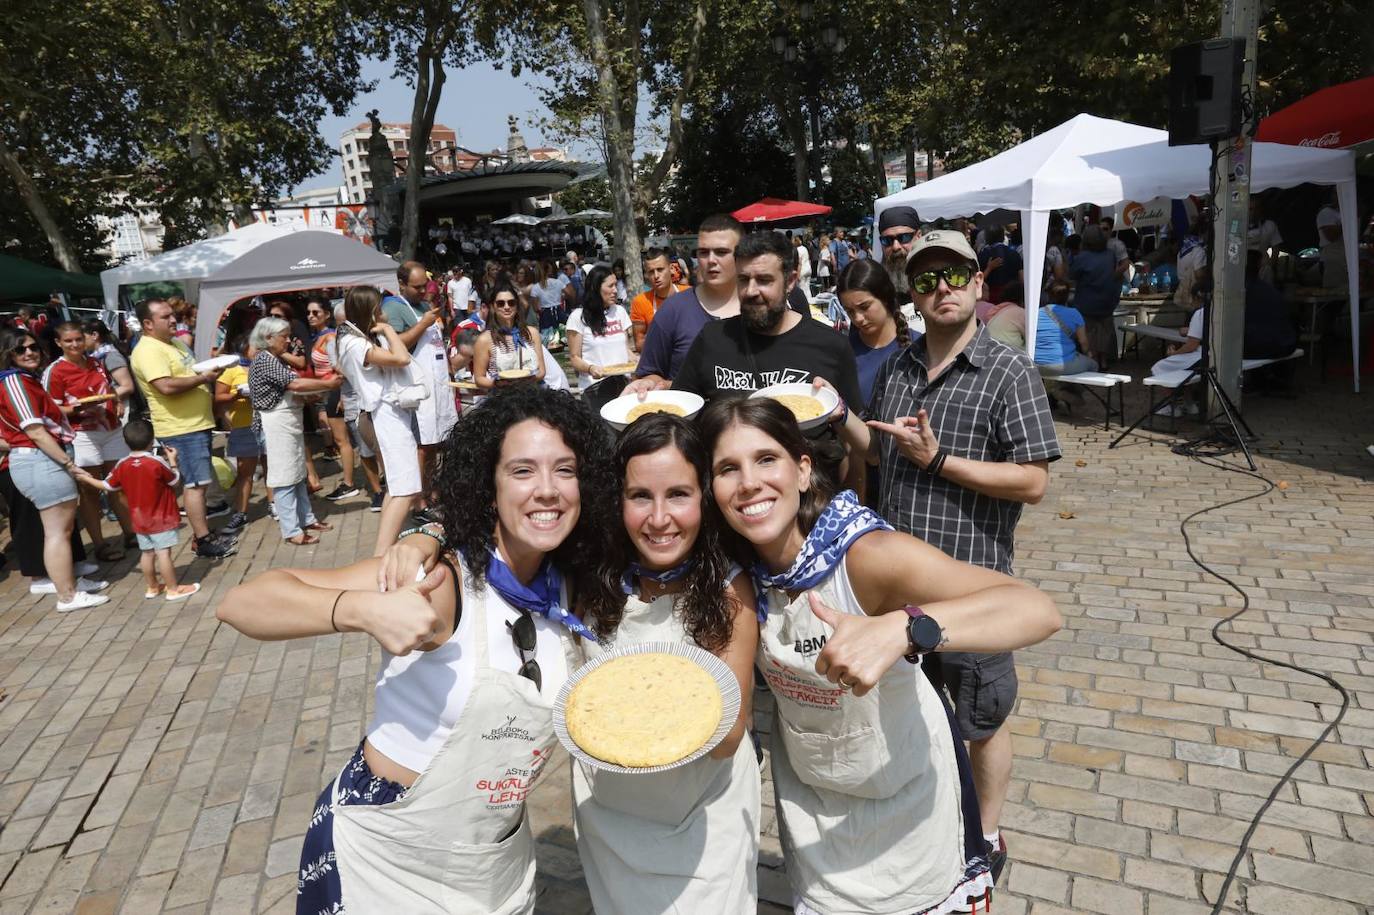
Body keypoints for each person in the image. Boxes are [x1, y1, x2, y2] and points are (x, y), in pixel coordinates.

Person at [215, 384, 619, 915]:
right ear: (488, 485)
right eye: (522, 471)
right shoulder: (441, 582)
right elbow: (242, 603)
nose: (547, 489)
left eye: (564, 470)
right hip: (390, 853)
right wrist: (361, 610)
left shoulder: (569, 582)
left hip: (492, 861)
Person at [699, 396, 1062, 915]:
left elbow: (1036, 609)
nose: (749, 483)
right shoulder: (741, 576)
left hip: (908, 820)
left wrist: (906, 629)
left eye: (766, 459)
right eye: (726, 469)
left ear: (803, 470)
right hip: (814, 820)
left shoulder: (866, 560)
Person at [862, 229, 1061, 897]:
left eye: (953, 274)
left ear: (979, 283)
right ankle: (925, 816)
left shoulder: (1009, 371)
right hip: (896, 588)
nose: (939, 287)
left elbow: (1033, 480)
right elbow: (877, 452)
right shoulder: (897, 368)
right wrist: (838, 419)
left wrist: (941, 460)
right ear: (912, 295)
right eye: (925, 279)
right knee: (908, 712)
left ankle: (990, 831)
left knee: (983, 717)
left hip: (972, 585)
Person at [571, 413, 759, 912]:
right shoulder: (591, 576)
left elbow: (730, 735)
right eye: (640, 497)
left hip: (704, 827)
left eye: (678, 494)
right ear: (618, 499)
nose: (658, 519)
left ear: (705, 497)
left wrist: (642, 704)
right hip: (609, 818)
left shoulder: (728, 591)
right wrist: (428, 535)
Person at [0, 327, 110, 611]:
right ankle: (67, 595)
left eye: (33, 347)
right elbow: (34, 430)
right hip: (39, 458)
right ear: (7, 354)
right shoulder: (14, 380)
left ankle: (68, 582)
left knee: (62, 529)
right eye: (20, 349)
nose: (29, 352)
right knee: (57, 532)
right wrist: (69, 464)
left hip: (42, 457)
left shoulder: (26, 378)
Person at [129, 298, 236, 558]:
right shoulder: (148, 350)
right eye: (165, 317)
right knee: (195, 485)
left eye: (172, 315)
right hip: (181, 427)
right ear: (148, 323)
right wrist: (202, 378)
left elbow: (187, 371)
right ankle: (202, 539)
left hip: (196, 423)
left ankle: (205, 533)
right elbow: (164, 386)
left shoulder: (172, 343)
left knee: (199, 482)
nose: (173, 319)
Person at [334, 287, 419, 552]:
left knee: (396, 487)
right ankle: (381, 554)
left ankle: (384, 550)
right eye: (379, 309)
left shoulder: (350, 337)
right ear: (369, 311)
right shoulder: (355, 343)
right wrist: (389, 330)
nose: (383, 314)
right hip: (384, 416)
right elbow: (401, 358)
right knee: (406, 488)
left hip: (382, 415)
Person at [43, 321, 136, 561]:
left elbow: (110, 390)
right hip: (81, 433)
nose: (75, 344)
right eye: (68, 341)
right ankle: (100, 544)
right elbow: (50, 409)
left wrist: (114, 401)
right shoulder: (55, 370)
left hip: (111, 427)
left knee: (118, 483)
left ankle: (131, 533)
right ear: (58, 343)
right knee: (90, 490)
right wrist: (74, 408)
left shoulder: (96, 362)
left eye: (78, 339)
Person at [249, 317, 342, 545]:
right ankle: (291, 530)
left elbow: (292, 388)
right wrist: (328, 384)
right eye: (284, 336)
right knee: (284, 478)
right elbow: (295, 385)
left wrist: (312, 395)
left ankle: (307, 518)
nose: (288, 341)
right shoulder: (265, 360)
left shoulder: (275, 358)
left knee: (297, 473)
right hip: (274, 425)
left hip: (286, 423)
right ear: (268, 338)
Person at [626, 214, 744, 393]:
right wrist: (649, 383)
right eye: (703, 252)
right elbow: (649, 372)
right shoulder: (673, 310)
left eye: (721, 252)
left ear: (742, 255)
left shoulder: (761, 308)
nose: (711, 260)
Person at [85, 421, 200, 601]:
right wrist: (173, 462)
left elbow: (107, 485)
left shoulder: (122, 463)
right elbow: (174, 481)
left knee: (147, 554)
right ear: (151, 439)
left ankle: (153, 587)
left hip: (139, 519)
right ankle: (173, 589)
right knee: (164, 554)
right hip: (161, 517)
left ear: (125, 441)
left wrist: (84, 477)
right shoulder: (155, 462)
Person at [384, 260, 460, 495]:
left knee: (438, 443)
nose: (422, 291)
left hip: (439, 384)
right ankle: (419, 498)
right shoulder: (393, 307)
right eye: (416, 287)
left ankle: (433, 490)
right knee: (423, 446)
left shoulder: (422, 305)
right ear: (401, 284)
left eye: (424, 285)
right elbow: (395, 347)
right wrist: (424, 324)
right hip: (418, 388)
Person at [213, 336, 261, 534]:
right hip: (243, 425)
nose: (259, 349)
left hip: (267, 422)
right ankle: (240, 513)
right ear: (244, 347)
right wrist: (236, 395)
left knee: (271, 467)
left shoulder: (264, 366)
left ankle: (275, 505)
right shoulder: (231, 370)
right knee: (245, 472)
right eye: (255, 346)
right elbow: (219, 397)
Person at [566, 264, 633, 395]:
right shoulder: (578, 317)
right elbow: (574, 358)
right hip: (595, 387)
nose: (615, 290)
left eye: (616, 285)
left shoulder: (620, 311)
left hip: (624, 383)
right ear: (596, 288)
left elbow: (626, 350)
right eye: (610, 286)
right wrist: (590, 368)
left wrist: (637, 360)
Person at [1067, 225, 1124, 367]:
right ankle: (1103, 360)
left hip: (1087, 301)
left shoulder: (1082, 257)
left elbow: (1072, 275)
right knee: (1105, 330)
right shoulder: (1110, 255)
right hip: (1107, 300)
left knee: (1090, 331)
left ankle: (1093, 360)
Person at [1034, 280, 1097, 376]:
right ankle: (1077, 390)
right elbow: (1083, 342)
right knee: (1093, 365)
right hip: (1062, 365)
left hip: (1037, 365)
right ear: (1068, 296)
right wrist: (1088, 353)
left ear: (1049, 295)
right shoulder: (1074, 313)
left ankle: (1064, 388)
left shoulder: (1036, 313)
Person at [629, 247, 685, 350]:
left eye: (660, 269)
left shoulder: (689, 294)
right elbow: (639, 344)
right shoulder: (640, 302)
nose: (656, 276)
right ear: (646, 275)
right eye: (651, 272)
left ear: (671, 268)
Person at [878, 205, 922, 299]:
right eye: (887, 240)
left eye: (904, 238)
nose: (895, 247)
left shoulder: (938, 280)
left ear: (918, 236)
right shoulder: (876, 286)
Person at [976, 225, 1023, 304]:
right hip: (1011, 298)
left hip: (990, 299)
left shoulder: (983, 255)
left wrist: (989, 268)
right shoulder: (1014, 254)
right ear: (1003, 237)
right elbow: (1021, 278)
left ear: (987, 238)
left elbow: (977, 280)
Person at [528, 260, 568, 348]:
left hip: (545, 312)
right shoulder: (557, 282)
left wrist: (539, 309)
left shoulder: (536, 287)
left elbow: (535, 307)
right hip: (558, 309)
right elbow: (569, 292)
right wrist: (562, 298)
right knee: (562, 332)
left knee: (547, 337)